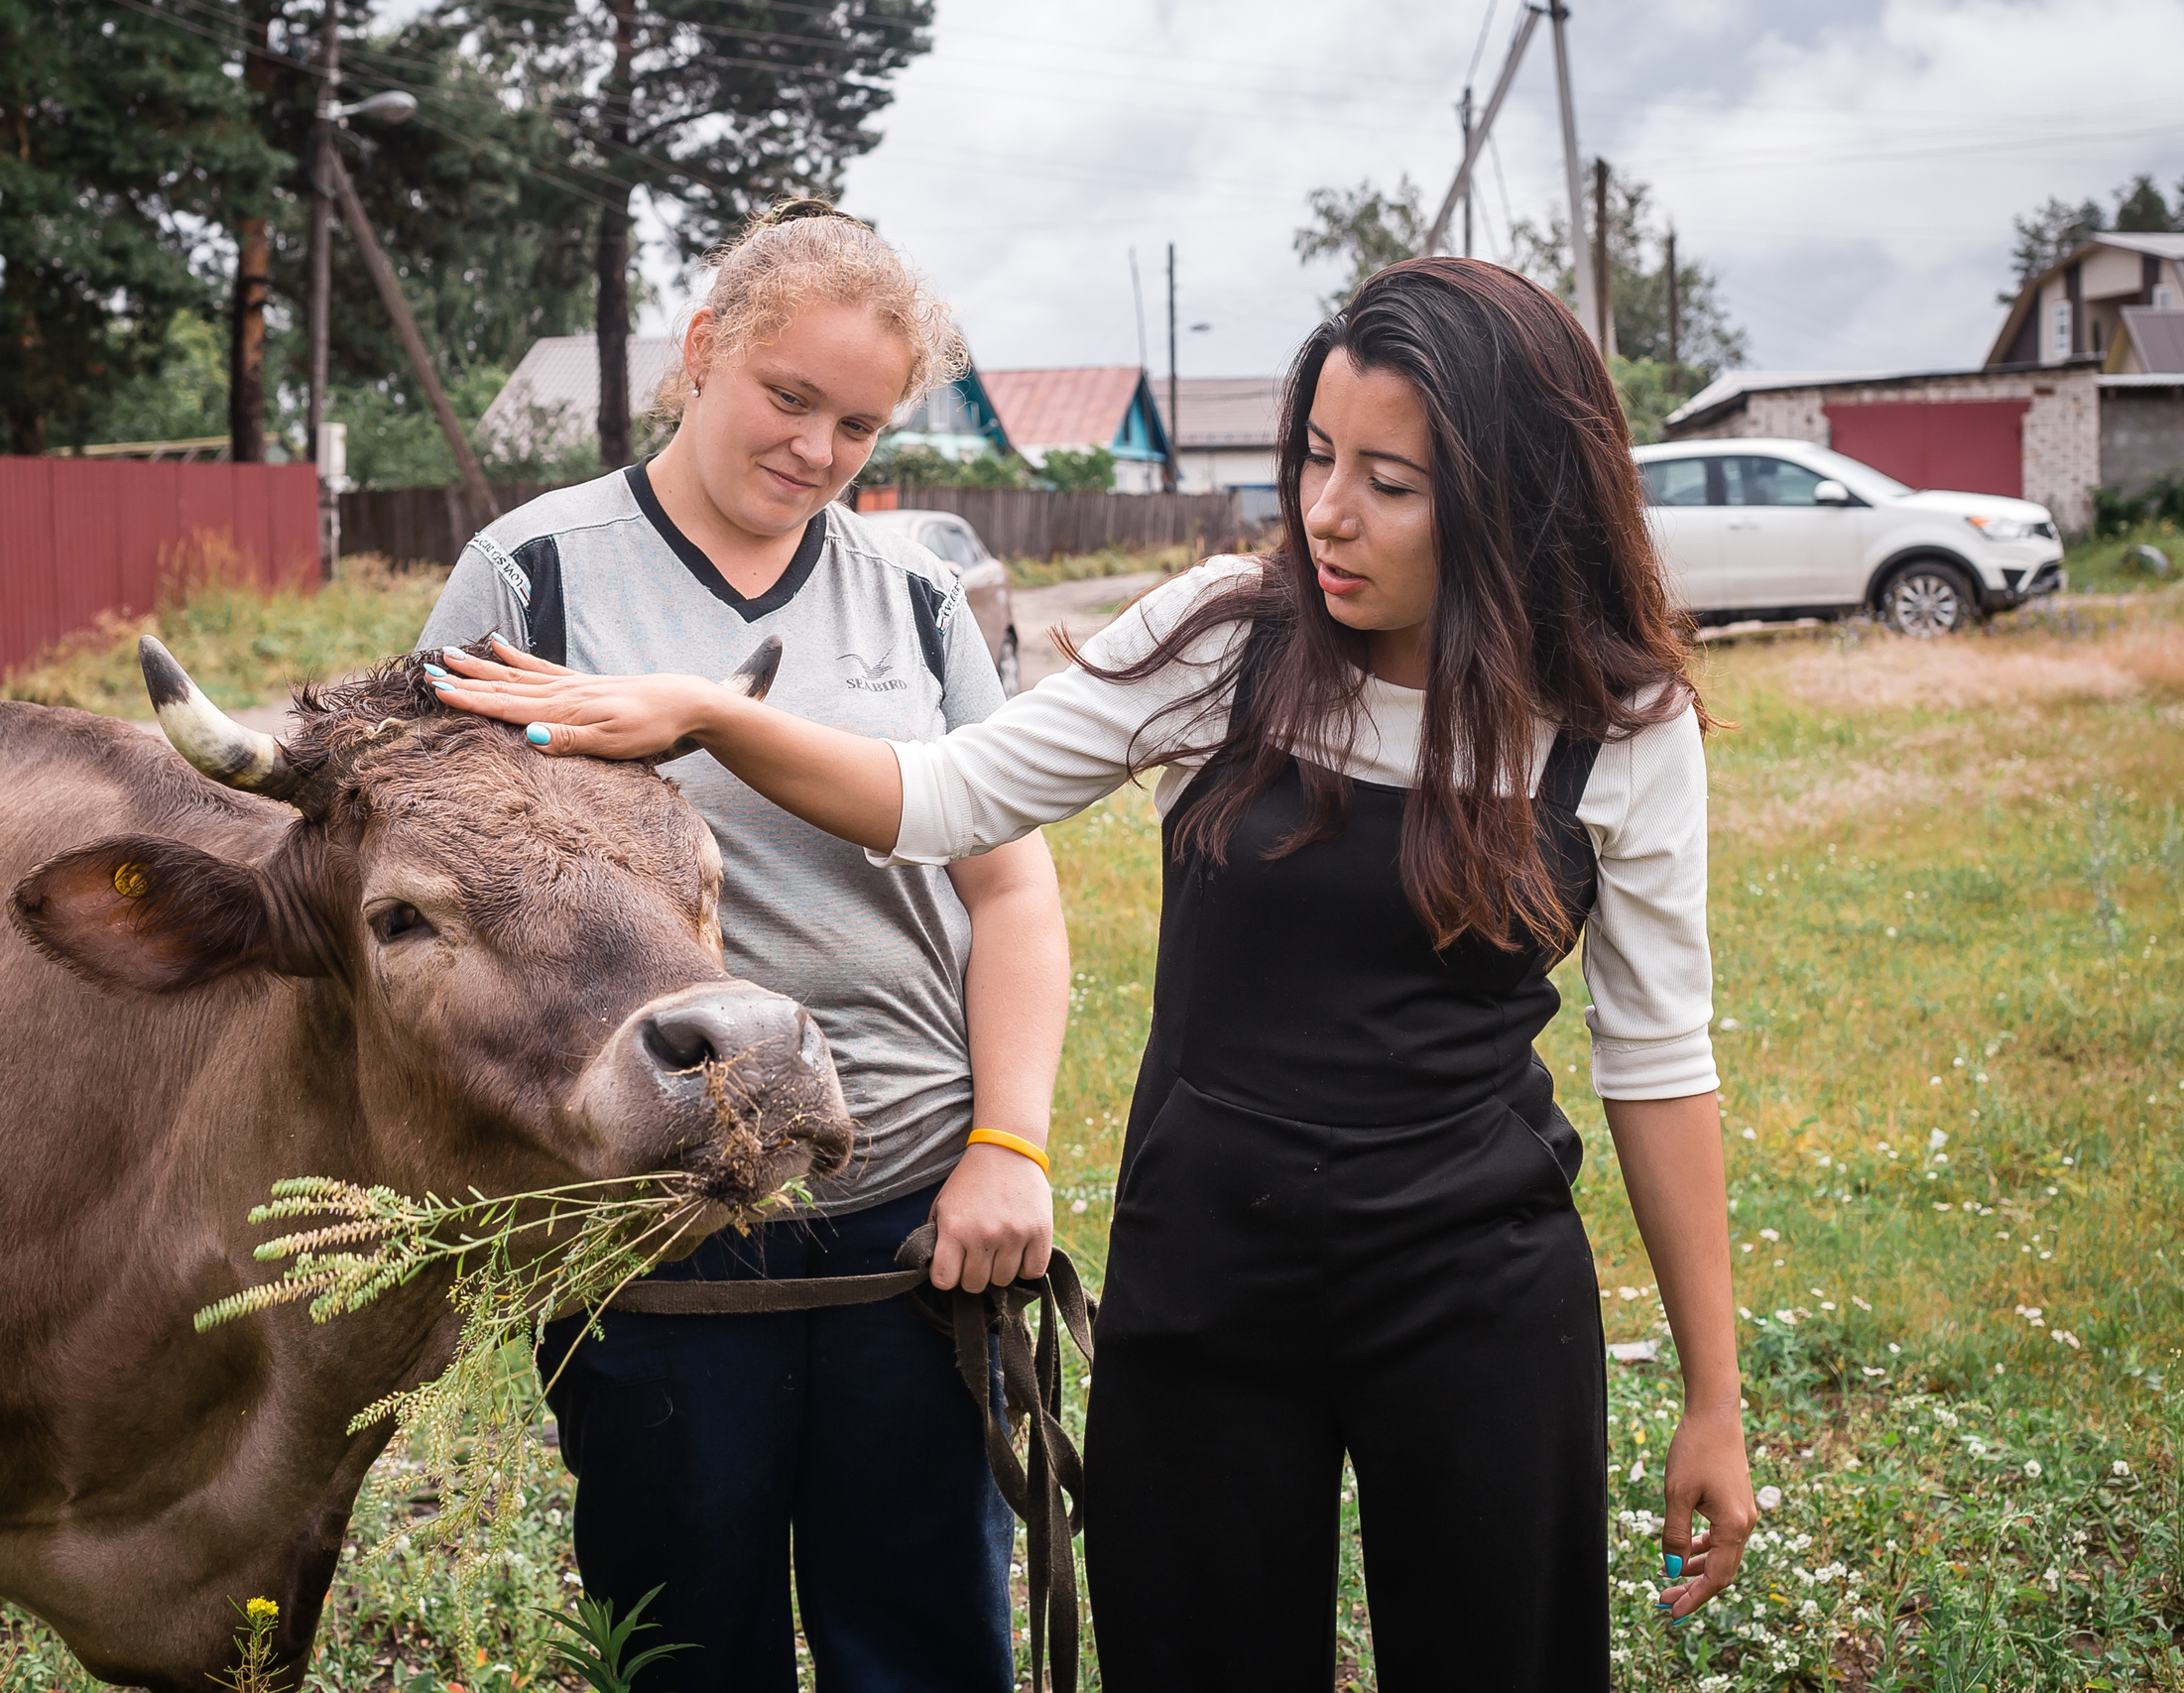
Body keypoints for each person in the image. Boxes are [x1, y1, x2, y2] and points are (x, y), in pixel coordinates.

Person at [429, 256, 1758, 1690]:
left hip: (1479, 1286)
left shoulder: (1616, 729)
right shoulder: (1230, 643)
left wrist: (1717, 1393)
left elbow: (1660, 1057)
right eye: (1314, 455)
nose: (1325, 512)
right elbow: (946, 798)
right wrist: (707, 714)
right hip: (1211, 1279)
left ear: (1511, 496)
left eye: (1391, 480)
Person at [414, 202, 1068, 1692]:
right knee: (686, 1648)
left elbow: (1015, 896)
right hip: (650, 1224)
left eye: (859, 422)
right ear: (702, 353)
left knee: (923, 1644)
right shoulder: (536, 580)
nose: (819, 451)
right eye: (790, 397)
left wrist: (1007, 1152)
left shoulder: (911, 595)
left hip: (913, 1221)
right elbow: (431, 880)